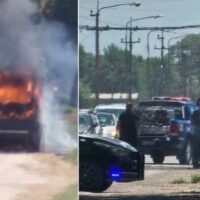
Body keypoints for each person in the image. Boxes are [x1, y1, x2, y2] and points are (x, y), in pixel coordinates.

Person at [191, 98, 200, 168]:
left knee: (195, 148)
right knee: (195, 148)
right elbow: (192, 123)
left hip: (196, 133)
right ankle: (195, 162)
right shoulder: (195, 113)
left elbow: (192, 123)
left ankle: (195, 162)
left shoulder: (195, 112)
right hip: (196, 133)